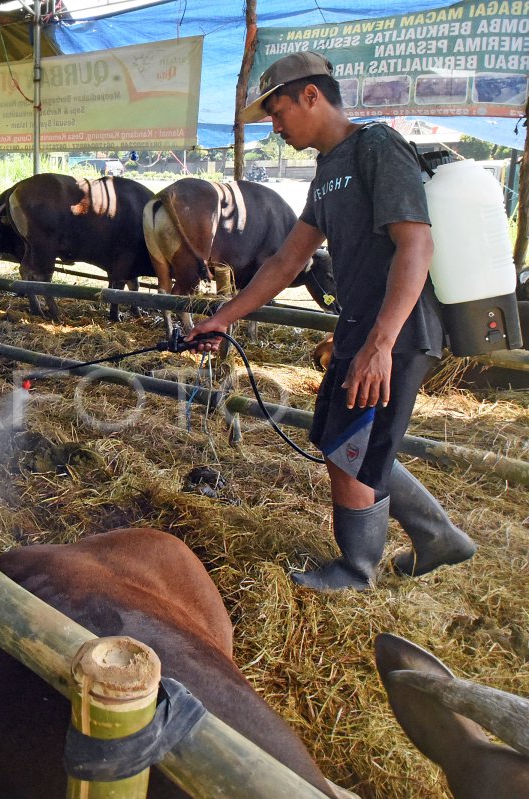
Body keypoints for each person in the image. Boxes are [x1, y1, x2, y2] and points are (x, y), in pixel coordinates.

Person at [188, 52, 476, 591]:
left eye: (277, 112)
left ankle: (356, 570)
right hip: (360, 327)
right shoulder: (327, 170)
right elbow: (286, 261)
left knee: (350, 448)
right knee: (338, 437)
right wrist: (223, 318)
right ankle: (440, 537)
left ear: (311, 96)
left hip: (399, 329)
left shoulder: (377, 147)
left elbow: (416, 243)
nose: (275, 127)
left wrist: (381, 344)